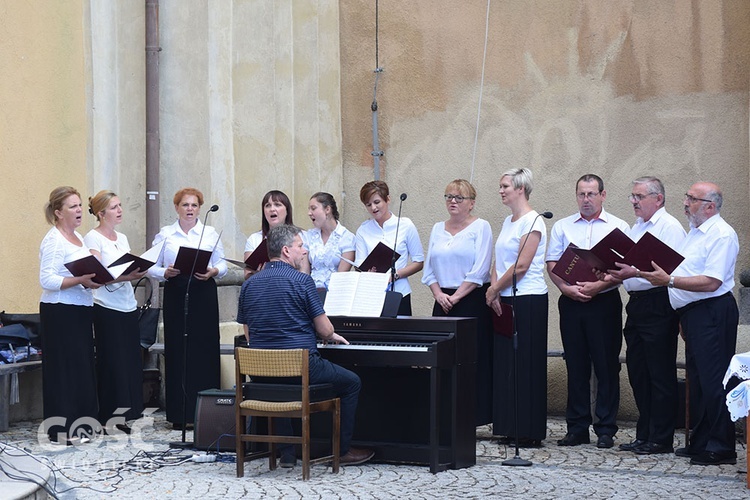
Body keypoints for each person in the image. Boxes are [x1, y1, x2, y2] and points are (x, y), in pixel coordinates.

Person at [237, 224, 374, 467]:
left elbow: (248, 333)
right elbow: (325, 329)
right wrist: (332, 335)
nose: (305, 251)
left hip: (262, 373)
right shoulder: (302, 281)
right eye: (301, 246)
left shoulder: (249, 285)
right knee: (352, 382)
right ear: (287, 251)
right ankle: (341, 451)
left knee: (278, 381)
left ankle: (288, 454)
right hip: (301, 368)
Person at [640, 182, 739, 466]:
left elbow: (712, 281)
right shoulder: (694, 234)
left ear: (710, 205)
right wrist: (681, 312)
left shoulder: (721, 234)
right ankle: (703, 441)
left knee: (715, 379)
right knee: (697, 380)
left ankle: (722, 446)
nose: (685, 203)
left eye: (692, 199)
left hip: (712, 310)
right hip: (694, 313)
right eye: (686, 197)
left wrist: (668, 281)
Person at [546, 174, 630, 449]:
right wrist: (564, 289)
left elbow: (624, 270)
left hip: (604, 303)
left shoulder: (618, 226)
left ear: (603, 195)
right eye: (581, 194)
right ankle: (577, 427)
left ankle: (606, 428)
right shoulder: (563, 226)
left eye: (591, 194)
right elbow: (552, 264)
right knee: (576, 364)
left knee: (606, 365)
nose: (586, 199)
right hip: (571, 302)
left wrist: (597, 285)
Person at [606, 177, 685, 455]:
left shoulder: (669, 227)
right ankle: (645, 433)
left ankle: (661, 438)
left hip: (658, 302)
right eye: (632, 196)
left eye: (639, 196)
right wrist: (616, 271)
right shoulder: (636, 227)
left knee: (659, 372)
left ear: (658, 199)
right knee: (639, 370)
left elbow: (669, 271)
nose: (634, 202)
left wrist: (634, 273)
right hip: (637, 303)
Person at [148, 187, 227, 429]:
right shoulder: (166, 235)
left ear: (200, 208)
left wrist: (214, 271)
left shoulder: (210, 232)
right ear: (176, 208)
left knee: (204, 350)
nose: (190, 209)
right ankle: (180, 415)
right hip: (177, 291)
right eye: (185, 205)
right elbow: (150, 265)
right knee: (179, 350)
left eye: (194, 205)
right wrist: (165, 272)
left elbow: (222, 264)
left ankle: (206, 415)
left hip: (203, 292)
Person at [422, 179, 493, 425]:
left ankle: (473, 417)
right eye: (448, 196)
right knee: (442, 360)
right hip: (441, 300)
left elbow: (481, 269)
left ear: (471, 203)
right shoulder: (437, 228)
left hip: (470, 300)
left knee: (471, 359)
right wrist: (438, 294)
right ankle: (443, 414)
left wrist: (457, 296)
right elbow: (428, 268)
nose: (452, 201)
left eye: (459, 198)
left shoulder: (481, 227)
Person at [485, 169, 548, 446]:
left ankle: (528, 429)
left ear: (520, 189)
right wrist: (495, 289)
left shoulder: (533, 221)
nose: (501, 190)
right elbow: (499, 261)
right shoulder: (508, 221)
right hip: (505, 297)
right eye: (500, 186)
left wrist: (495, 289)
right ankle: (509, 426)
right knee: (506, 363)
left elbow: (522, 265)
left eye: (505, 186)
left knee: (525, 363)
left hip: (528, 298)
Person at [39, 186, 100, 444]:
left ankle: (81, 426)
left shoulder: (80, 238)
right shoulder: (54, 240)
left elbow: (83, 273)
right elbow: (47, 279)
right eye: (72, 207)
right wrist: (80, 280)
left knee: (80, 368)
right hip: (60, 311)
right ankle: (60, 431)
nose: (78, 211)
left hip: (81, 310)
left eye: (78, 206)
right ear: (58, 213)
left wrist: (92, 280)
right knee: (63, 371)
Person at [84, 190, 148, 433]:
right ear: (101, 213)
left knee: (130, 361)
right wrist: (128, 275)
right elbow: (98, 274)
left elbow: (126, 267)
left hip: (127, 303)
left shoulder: (121, 237)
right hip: (105, 306)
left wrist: (136, 271)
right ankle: (109, 416)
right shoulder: (93, 237)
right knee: (112, 361)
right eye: (114, 207)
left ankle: (127, 412)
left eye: (120, 205)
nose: (120, 210)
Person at [354, 181, 424, 316]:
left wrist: (395, 275)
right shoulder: (363, 230)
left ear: (388, 199)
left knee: (402, 334)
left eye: (377, 202)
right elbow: (359, 264)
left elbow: (418, 262)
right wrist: (367, 273)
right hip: (373, 295)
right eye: (368, 205)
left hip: (400, 292)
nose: (373, 208)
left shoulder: (405, 225)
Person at [305, 192, 355, 289]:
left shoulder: (346, 238)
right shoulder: (309, 236)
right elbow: (304, 271)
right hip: (310, 293)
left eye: (313, 208)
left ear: (327, 209)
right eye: (309, 209)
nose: (309, 213)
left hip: (334, 293)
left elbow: (341, 276)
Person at [243, 190, 294, 279]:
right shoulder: (254, 239)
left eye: (277, 205)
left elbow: (304, 271)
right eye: (267, 205)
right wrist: (258, 274)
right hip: (263, 286)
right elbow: (247, 274)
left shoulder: (300, 236)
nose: (272, 209)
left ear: (287, 210)